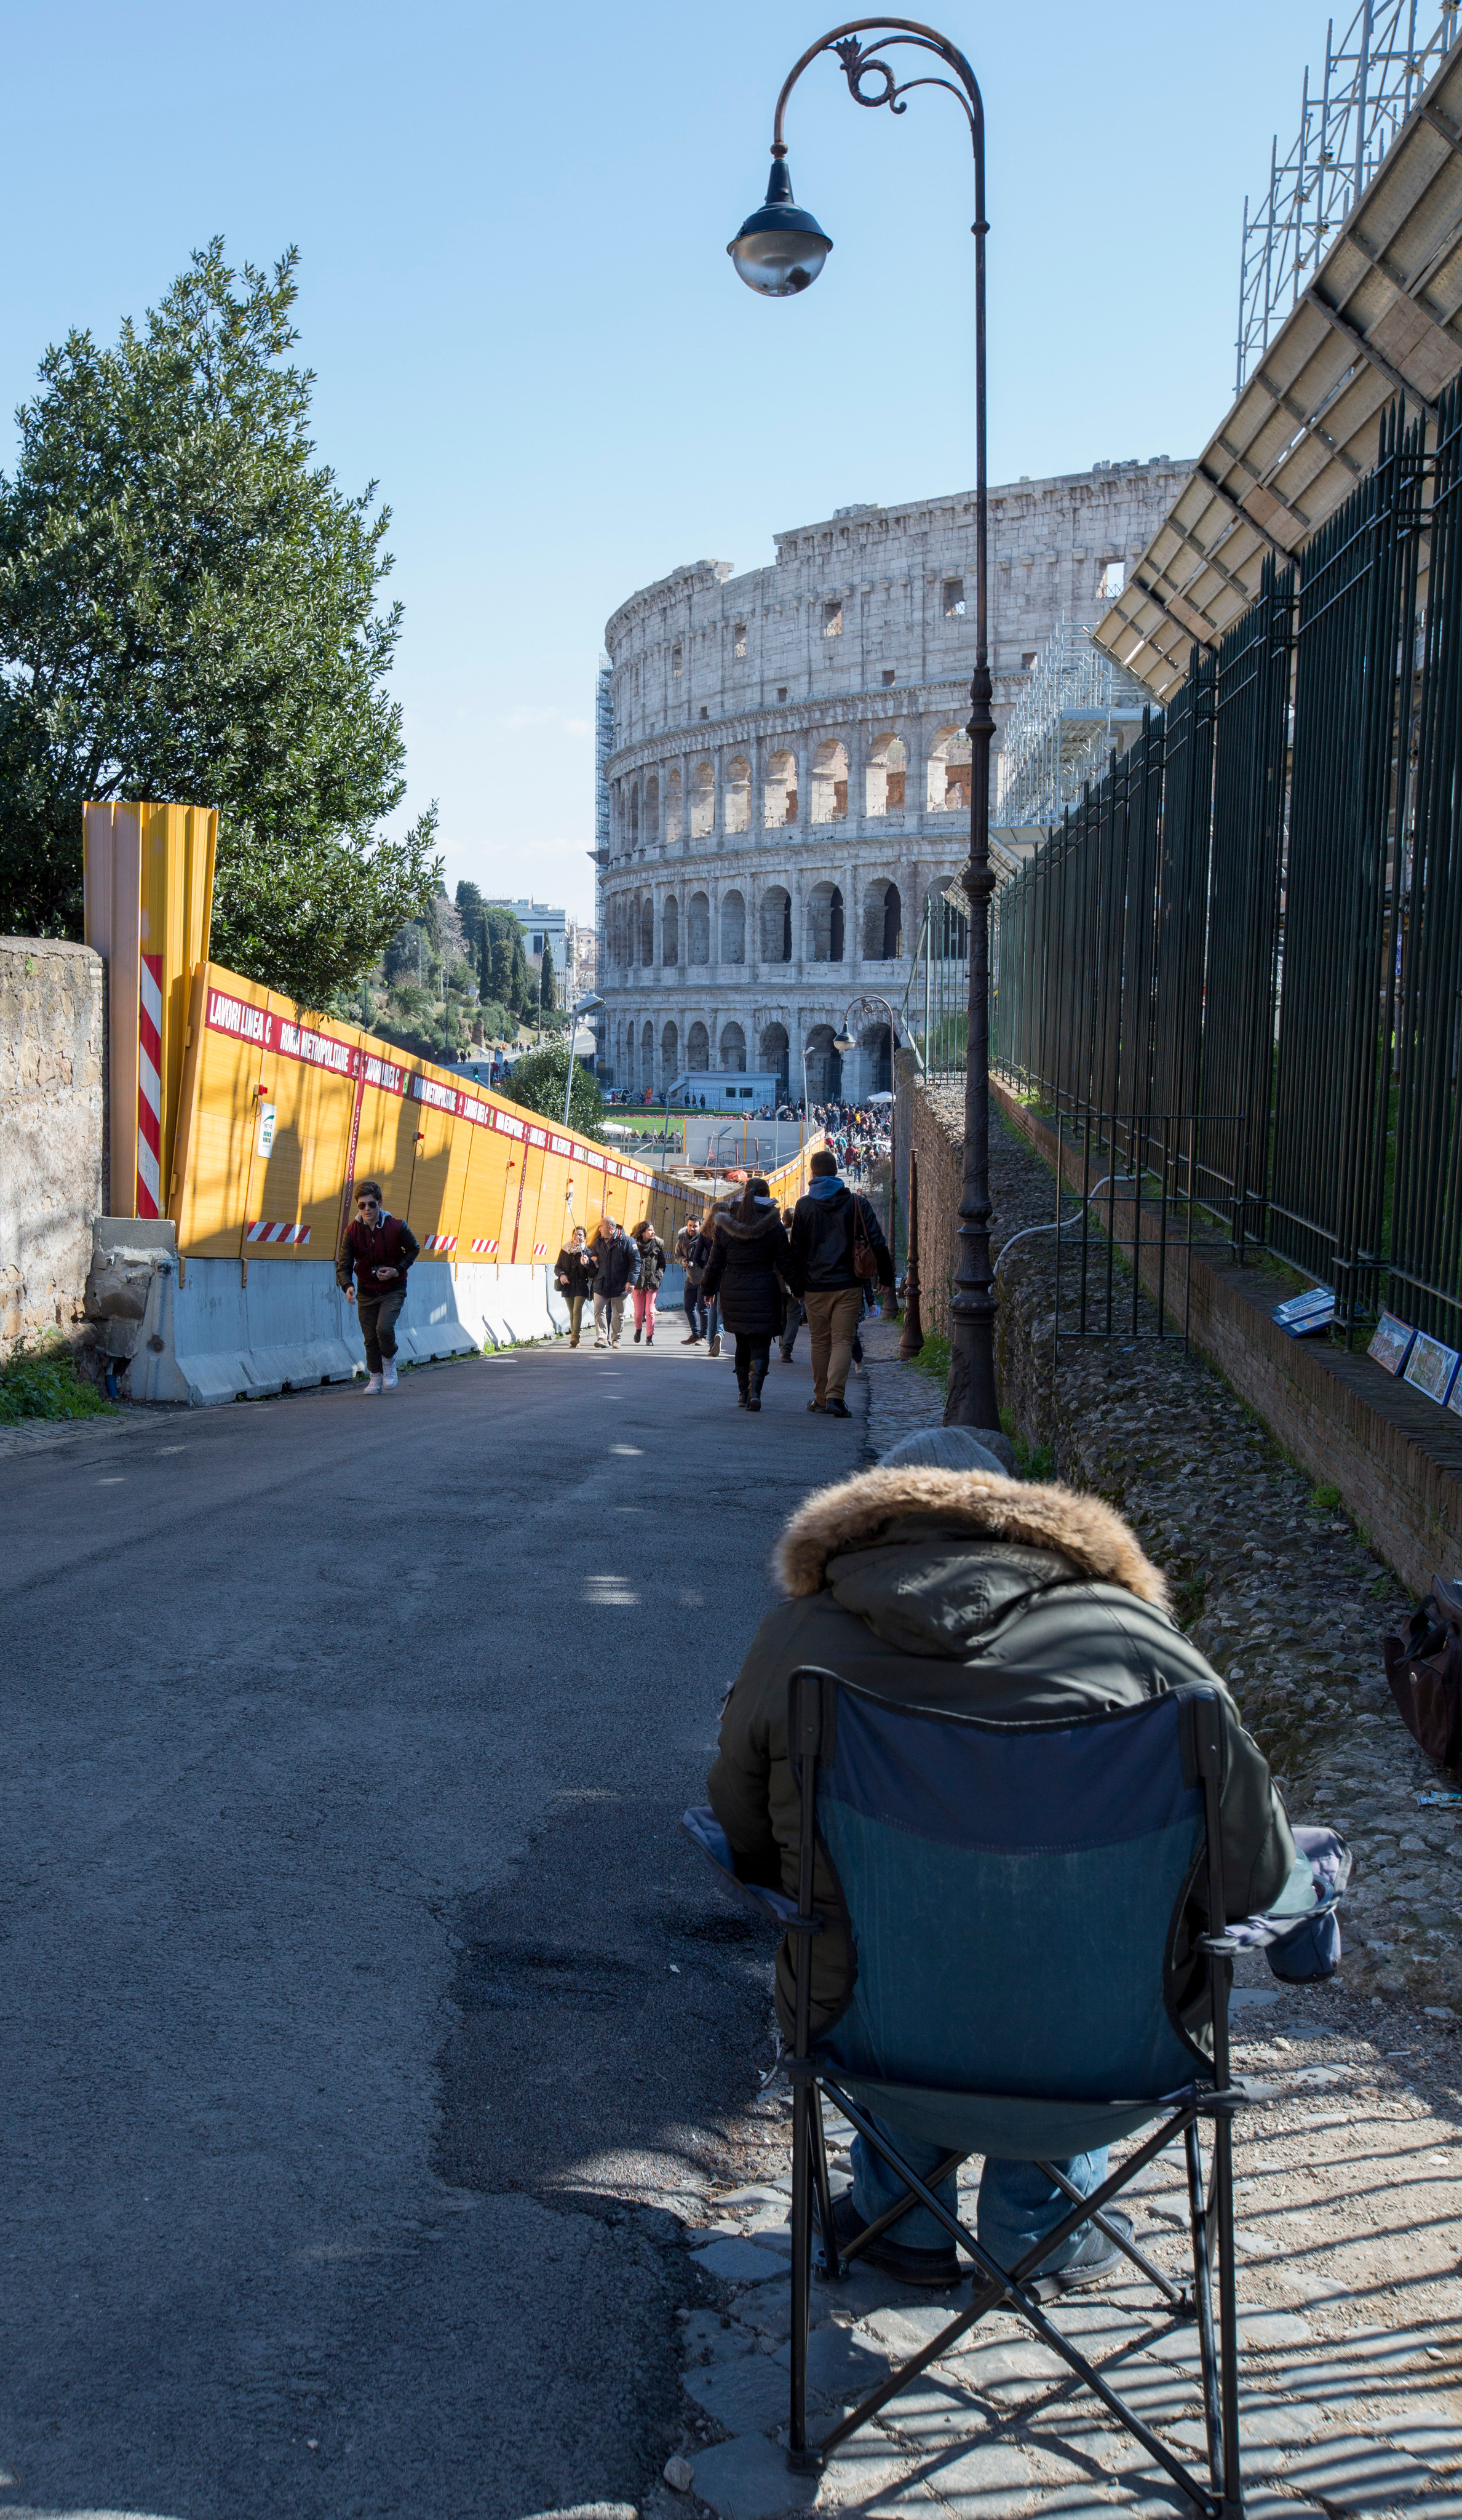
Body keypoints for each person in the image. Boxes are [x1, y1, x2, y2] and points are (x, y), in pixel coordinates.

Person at [708, 1424, 1321, 2289]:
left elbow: (741, 1832)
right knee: (1060, 1959)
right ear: (1029, 1520)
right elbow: (1252, 1877)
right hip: (1110, 2048)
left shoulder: (797, 1638)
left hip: (866, 2033)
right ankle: (1038, 2224)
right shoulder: (1136, 1642)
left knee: (897, 1949)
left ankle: (899, 2217)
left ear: (867, 1522)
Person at [789, 1146, 894, 1417]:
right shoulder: (857, 1203)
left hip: (814, 1285)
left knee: (820, 1342)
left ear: (813, 1174)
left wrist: (797, 1286)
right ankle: (836, 1397)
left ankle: (820, 1398)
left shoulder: (804, 1205)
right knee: (843, 1341)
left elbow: (796, 1251)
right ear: (837, 1172)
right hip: (849, 1284)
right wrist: (886, 1277)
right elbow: (877, 1242)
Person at [699, 1179, 794, 1413]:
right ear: (767, 1195)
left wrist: (708, 1289)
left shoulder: (727, 1223)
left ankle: (743, 1393)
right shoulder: (774, 1224)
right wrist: (799, 1289)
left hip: (734, 1288)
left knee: (742, 1342)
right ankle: (756, 1391)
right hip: (764, 1287)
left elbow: (714, 1262)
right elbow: (786, 1262)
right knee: (760, 1343)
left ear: (744, 1194)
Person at [336, 1180, 420, 1394]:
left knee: (384, 1328)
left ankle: (390, 1363)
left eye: (371, 1205)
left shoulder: (397, 1226)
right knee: (370, 1337)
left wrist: (397, 1270)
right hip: (366, 1291)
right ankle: (375, 1377)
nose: (367, 1210)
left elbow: (413, 1249)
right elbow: (344, 1263)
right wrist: (347, 1285)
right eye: (361, 1205)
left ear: (380, 1203)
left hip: (394, 1289)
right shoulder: (352, 1231)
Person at [589, 1213, 640, 1347]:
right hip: (601, 1282)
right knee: (599, 1310)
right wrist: (589, 1262)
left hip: (620, 1284)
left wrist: (632, 1281)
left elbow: (636, 1262)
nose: (599, 1229)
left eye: (601, 1226)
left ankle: (616, 1338)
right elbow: (595, 1261)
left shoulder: (628, 1242)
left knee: (619, 1314)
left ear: (610, 1228)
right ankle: (602, 1338)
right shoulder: (598, 1243)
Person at [554, 1224, 594, 1349]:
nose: (577, 1237)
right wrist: (561, 1275)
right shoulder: (565, 1250)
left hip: (581, 1286)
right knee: (571, 1312)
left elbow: (592, 1273)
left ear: (585, 1238)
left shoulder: (587, 1253)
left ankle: (575, 1337)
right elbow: (558, 1267)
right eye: (575, 1234)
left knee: (577, 1311)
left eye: (580, 1235)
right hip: (568, 1285)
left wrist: (587, 1264)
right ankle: (574, 1337)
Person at [630, 1218, 665, 1346]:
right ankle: (638, 1329)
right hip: (638, 1283)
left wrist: (658, 1276)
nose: (653, 1232)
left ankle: (649, 1337)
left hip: (652, 1283)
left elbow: (662, 1264)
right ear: (643, 1233)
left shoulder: (657, 1246)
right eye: (649, 1230)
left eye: (653, 1229)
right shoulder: (634, 1246)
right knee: (639, 1313)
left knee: (650, 1311)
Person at [675, 1217, 705, 1344]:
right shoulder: (682, 1239)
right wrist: (682, 1261)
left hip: (703, 1278)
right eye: (690, 1225)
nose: (692, 1229)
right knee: (688, 1307)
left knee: (702, 1308)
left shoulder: (705, 1239)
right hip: (690, 1278)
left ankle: (704, 1337)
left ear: (700, 1227)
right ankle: (696, 1334)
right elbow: (677, 1255)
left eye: (695, 1226)